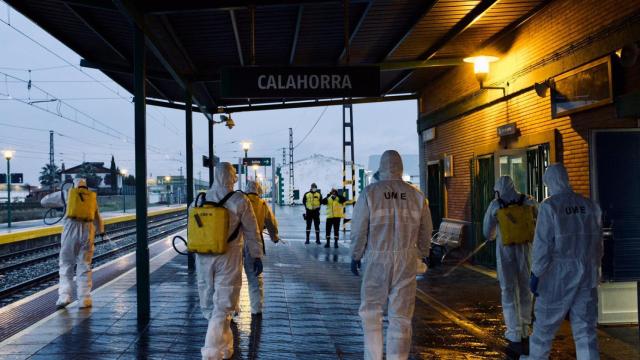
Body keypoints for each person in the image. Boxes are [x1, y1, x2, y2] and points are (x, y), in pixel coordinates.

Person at [350, 150, 433, 360]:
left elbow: (359, 228)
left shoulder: (370, 193)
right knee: (401, 317)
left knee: (371, 313)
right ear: (401, 167)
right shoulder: (416, 195)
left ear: (382, 167)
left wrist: (356, 254)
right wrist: (422, 254)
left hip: (377, 259)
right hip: (407, 259)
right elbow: (426, 230)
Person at [522, 164, 603, 360]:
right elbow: (598, 242)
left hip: (557, 274)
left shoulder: (550, 206)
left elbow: (542, 246)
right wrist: (595, 266)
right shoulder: (589, 205)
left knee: (544, 325)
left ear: (550, 182)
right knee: (585, 328)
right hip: (587, 272)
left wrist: (536, 274)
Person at [194, 163, 264, 360]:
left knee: (209, 300)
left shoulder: (200, 199)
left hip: (203, 256)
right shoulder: (239, 199)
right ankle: (212, 351)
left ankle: (225, 346)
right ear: (231, 176)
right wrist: (256, 254)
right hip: (229, 255)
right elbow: (252, 231)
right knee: (224, 302)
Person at [482, 176, 538, 356]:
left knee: (508, 290)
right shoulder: (528, 201)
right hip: (526, 251)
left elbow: (487, 232)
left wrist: (492, 235)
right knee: (525, 289)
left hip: (505, 251)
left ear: (498, 189)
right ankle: (525, 329)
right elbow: (541, 221)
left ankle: (513, 333)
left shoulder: (495, 205)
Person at [41, 178, 104, 309]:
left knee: (66, 264)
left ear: (74, 185)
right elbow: (98, 217)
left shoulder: (66, 193)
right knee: (84, 265)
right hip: (88, 231)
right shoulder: (91, 197)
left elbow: (44, 201)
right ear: (85, 186)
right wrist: (101, 231)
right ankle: (85, 299)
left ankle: (64, 297)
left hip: (70, 230)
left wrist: (61, 199)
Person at [242, 180, 280, 316]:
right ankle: (256, 309)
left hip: (236, 244)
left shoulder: (240, 201)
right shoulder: (262, 204)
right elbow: (271, 222)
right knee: (254, 278)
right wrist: (274, 237)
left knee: (232, 279)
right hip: (253, 243)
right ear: (258, 190)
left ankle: (232, 309)